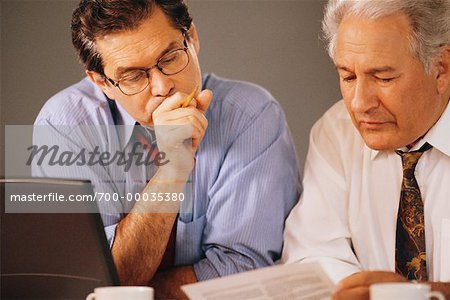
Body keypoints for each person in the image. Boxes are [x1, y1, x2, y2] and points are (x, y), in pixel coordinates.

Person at [32, 0, 300, 298]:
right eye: (133, 76)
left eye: (170, 58)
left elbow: (242, 271)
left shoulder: (252, 115)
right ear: (101, 82)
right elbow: (81, 282)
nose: (162, 87)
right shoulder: (61, 125)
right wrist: (173, 168)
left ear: (192, 38)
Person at [281, 0, 450, 299]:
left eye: (383, 78)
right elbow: (312, 254)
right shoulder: (336, 130)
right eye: (347, 76)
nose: (359, 103)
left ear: (441, 69)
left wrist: (427, 295)